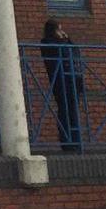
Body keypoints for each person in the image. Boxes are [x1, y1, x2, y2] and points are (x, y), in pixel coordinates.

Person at [40, 19, 85, 152]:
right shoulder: (47, 42)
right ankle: (67, 141)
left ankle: (76, 141)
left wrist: (67, 38)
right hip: (60, 80)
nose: (61, 32)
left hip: (72, 79)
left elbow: (74, 52)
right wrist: (63, 41)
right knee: (64, 110)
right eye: (58, 29)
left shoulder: (64, 41)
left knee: (73, 110)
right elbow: (61, 52)